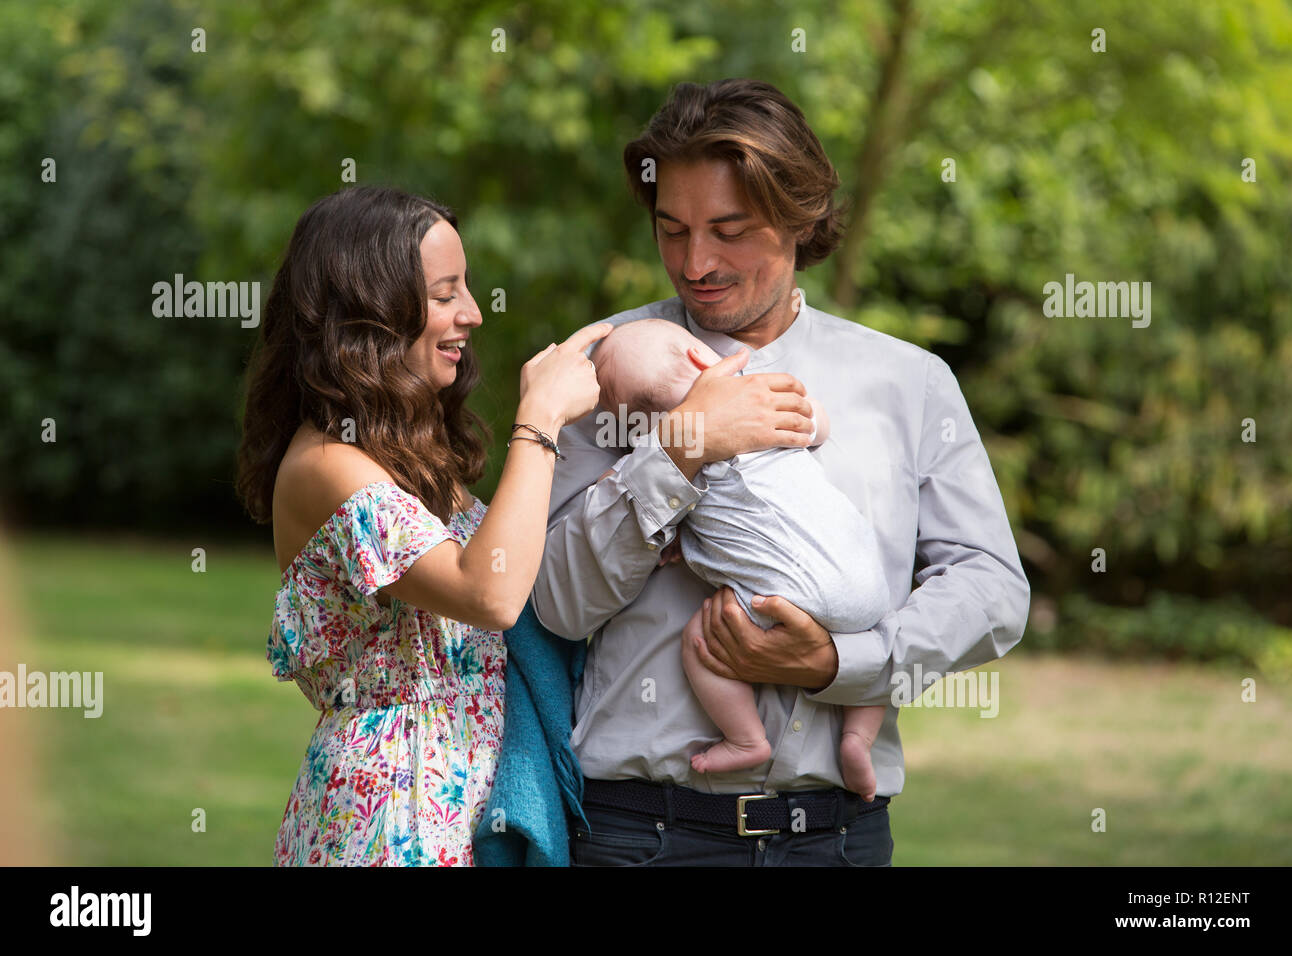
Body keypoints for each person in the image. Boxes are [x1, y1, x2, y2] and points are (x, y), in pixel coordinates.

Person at [531, 78, 1031, 866]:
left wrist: (843, 666)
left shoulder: (907, 382)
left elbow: (993, 591)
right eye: (672, 230)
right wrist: (681, 449)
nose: (696, 262)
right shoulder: (608, 367)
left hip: (837, 839)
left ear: (799, 217)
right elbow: (555, 602)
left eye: (729, 230)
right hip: (640, 836)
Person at [235, 184, 610, 866]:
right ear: (369, 312)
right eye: (445, 294)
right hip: (393, 819)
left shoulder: (406, 454)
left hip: (453, 802)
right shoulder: (327, 465)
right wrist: (540, 421)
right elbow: (489, 593)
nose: (472, 313)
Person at [589, 317, 891, 800]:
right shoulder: (763, 405)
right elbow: (819, 425)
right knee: (875, 642)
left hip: (785, 597)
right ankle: (857, 738)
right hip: (868, 586)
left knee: (700, 642)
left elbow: (641, 514)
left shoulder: (661, 461)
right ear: (701, 358)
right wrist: (807, 413)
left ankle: (746, 739)